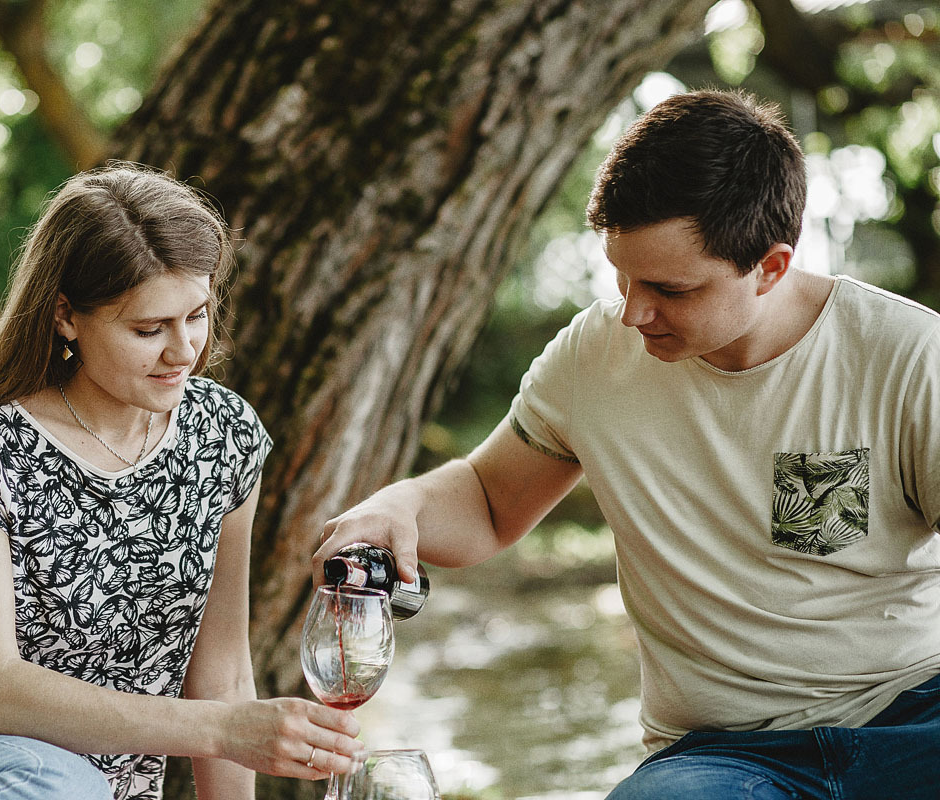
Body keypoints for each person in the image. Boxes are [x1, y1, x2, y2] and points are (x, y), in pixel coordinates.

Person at [314, 89, 940, 799]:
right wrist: (403, 505)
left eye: (669, 288)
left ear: (770, 267)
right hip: (723, 758)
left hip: (915, 719)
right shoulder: (594, 355)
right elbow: (490, 504)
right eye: (622, 277)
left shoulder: (908, 359)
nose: (635, 311)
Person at [0, 163, 361, 800]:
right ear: (67, 317)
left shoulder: (223, 433)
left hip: (77, 789)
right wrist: (225, 729)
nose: (184, 350)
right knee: (57, 782)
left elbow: (224, 674)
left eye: (198, 315)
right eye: (148, 329)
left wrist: (229, 728)